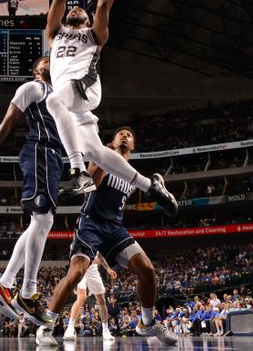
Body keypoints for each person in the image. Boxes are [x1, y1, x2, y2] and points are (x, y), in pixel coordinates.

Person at [42, 0, 177, 216]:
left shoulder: (94, 36)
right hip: (73, 105)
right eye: (74, 9)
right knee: (95, 151)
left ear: (89, 20)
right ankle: (150, 185)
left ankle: (78, 172)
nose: (76, 8)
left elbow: (103, 5)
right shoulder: (54, 34)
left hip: (83, 88)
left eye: (83, 10)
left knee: (52, 99)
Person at [35, 127, 178, 347]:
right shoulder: (102, 158)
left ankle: (146, 323)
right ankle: (46, 326)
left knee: (147, 269)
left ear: (133, 146)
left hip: (114, 228)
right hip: (90, 223)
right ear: (112, 141)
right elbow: (91, 182)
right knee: (76, 273)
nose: (125, 136)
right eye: (120, 134)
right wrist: (103, 155)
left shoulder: (134, 177)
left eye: (129, 135)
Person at [0, 57, 64, 324]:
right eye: (45, 59)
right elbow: (7, 122)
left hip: (54, 158)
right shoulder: (33, 88)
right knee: (43, 218)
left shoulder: (59, 95)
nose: (51, 60)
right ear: (36, 70)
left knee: (40, 222)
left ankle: (5, 282)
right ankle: (27, 291)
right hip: (40, 151)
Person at [63, 254, 117, 342]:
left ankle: (105, 330)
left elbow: (99, 255)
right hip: (80, 268)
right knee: (81, 297)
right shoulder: (78, 242)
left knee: (102, 300)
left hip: (92, 270)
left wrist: (108, 269)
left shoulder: (96, 241)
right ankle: (70, 328)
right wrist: (90, 260)